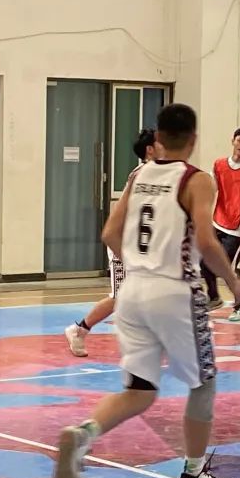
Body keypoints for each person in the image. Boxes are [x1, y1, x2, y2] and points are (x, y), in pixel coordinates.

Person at [55, 104, 240, 478]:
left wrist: (141, 265)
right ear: (193, 139)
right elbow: (207, 241)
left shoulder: (139, 175)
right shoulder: (197, 179)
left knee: (139, 390)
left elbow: (110, 233)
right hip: (174, 291)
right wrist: (234, 282)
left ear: (157, 138)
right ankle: (194, 477)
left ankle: (83, 434)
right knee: (203, 384)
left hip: (133, 292)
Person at [64, 129, 158, 357]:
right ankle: (79, 330)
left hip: (143, 245)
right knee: (120, 296)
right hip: (123, 243)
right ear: (150, 150)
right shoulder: (141, 175)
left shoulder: (162, 175)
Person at [201, 127, 240, 320]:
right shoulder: (219, 165)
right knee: (204, 260)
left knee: (227, 268)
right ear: (233, 141)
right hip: (219, 220)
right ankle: (213, 297)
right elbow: (211, 188)